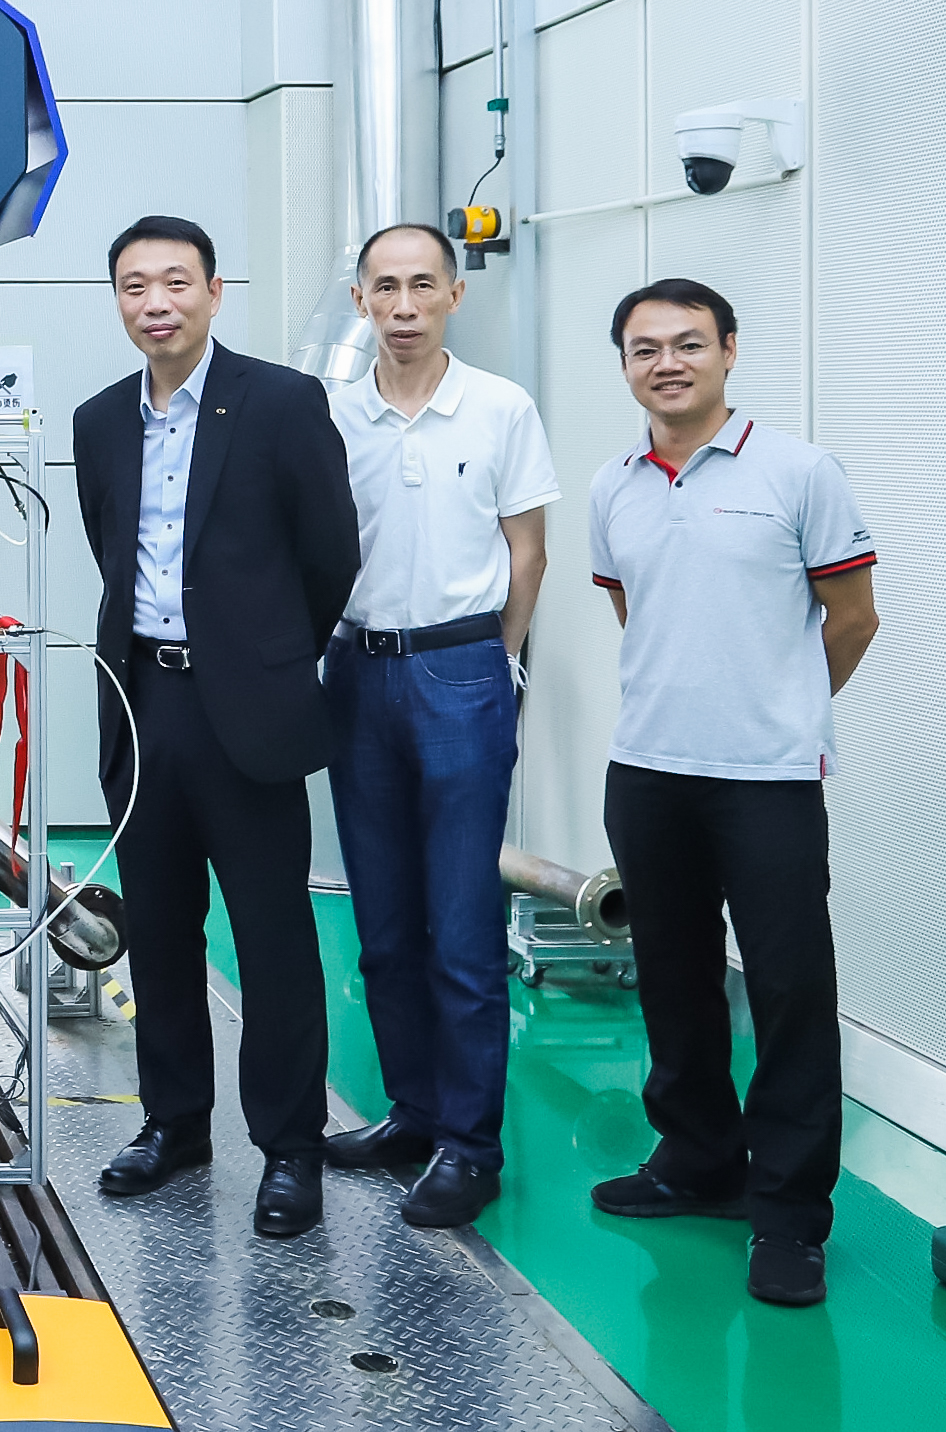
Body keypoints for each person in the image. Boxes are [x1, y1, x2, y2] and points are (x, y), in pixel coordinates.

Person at [585, 278, 878, 1309]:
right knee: (672, 975)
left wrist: (781, 703)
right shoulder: (614, 484)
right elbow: (637, 609)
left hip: (767, 777)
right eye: (645, 348)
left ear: (728, 351)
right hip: (648, 768)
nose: (666, 362)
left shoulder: (799, 471)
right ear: (625, 365)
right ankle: (697, 1160)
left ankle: (788, 1212)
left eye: (688, 343)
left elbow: (853, 615)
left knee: (790, 989)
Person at [76, 217, 360, 1237]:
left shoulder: (281, 402)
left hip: (248, 710)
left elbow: (331, 554)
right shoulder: (99, 421)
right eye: (133, 284)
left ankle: (290, 1148)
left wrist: (267, 658)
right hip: (143, 705)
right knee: (159, 931)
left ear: (213, 291)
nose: (155, 302)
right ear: (118, 299)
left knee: (272, 937)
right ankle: (175, 1124)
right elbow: (111, 551)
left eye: (174, 282)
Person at [318, 223, 559, 1228]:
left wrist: (497, 662)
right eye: (386, 287)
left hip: (462, 666)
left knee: (461, 929)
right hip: (356, 672)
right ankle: (412, 1114)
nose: (405, 305)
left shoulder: (501, 408)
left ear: (455, 294)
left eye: (423, 285)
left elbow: (528, 551)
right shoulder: (332, 416)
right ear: (361, 300)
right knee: (381, 928)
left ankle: (470, 1146)